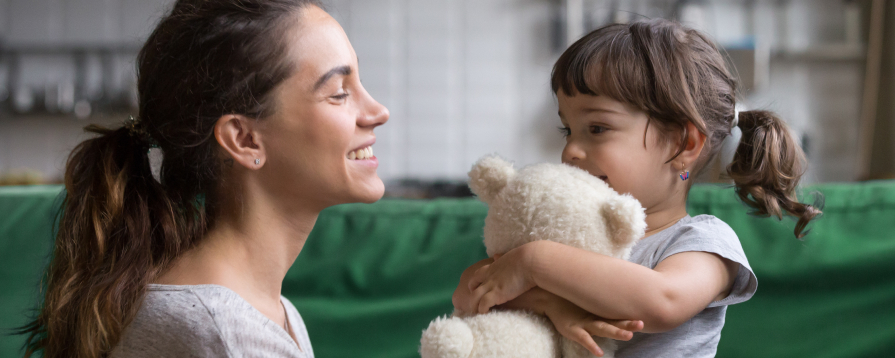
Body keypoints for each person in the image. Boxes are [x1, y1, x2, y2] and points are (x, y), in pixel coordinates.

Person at [20, 1, 389, 357]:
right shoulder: (222, 332)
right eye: (339, 93)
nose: (378, 111)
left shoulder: (264, 311)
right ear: (244, 139)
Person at [453, 19, 821, 357]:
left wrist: (534, 263)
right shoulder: (563, 237)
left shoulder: (703, 243)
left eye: (597, 128)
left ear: (684, 145)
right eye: (568, 130)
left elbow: (662, 301)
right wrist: (551, 304)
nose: (570, 150)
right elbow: (469, 293)